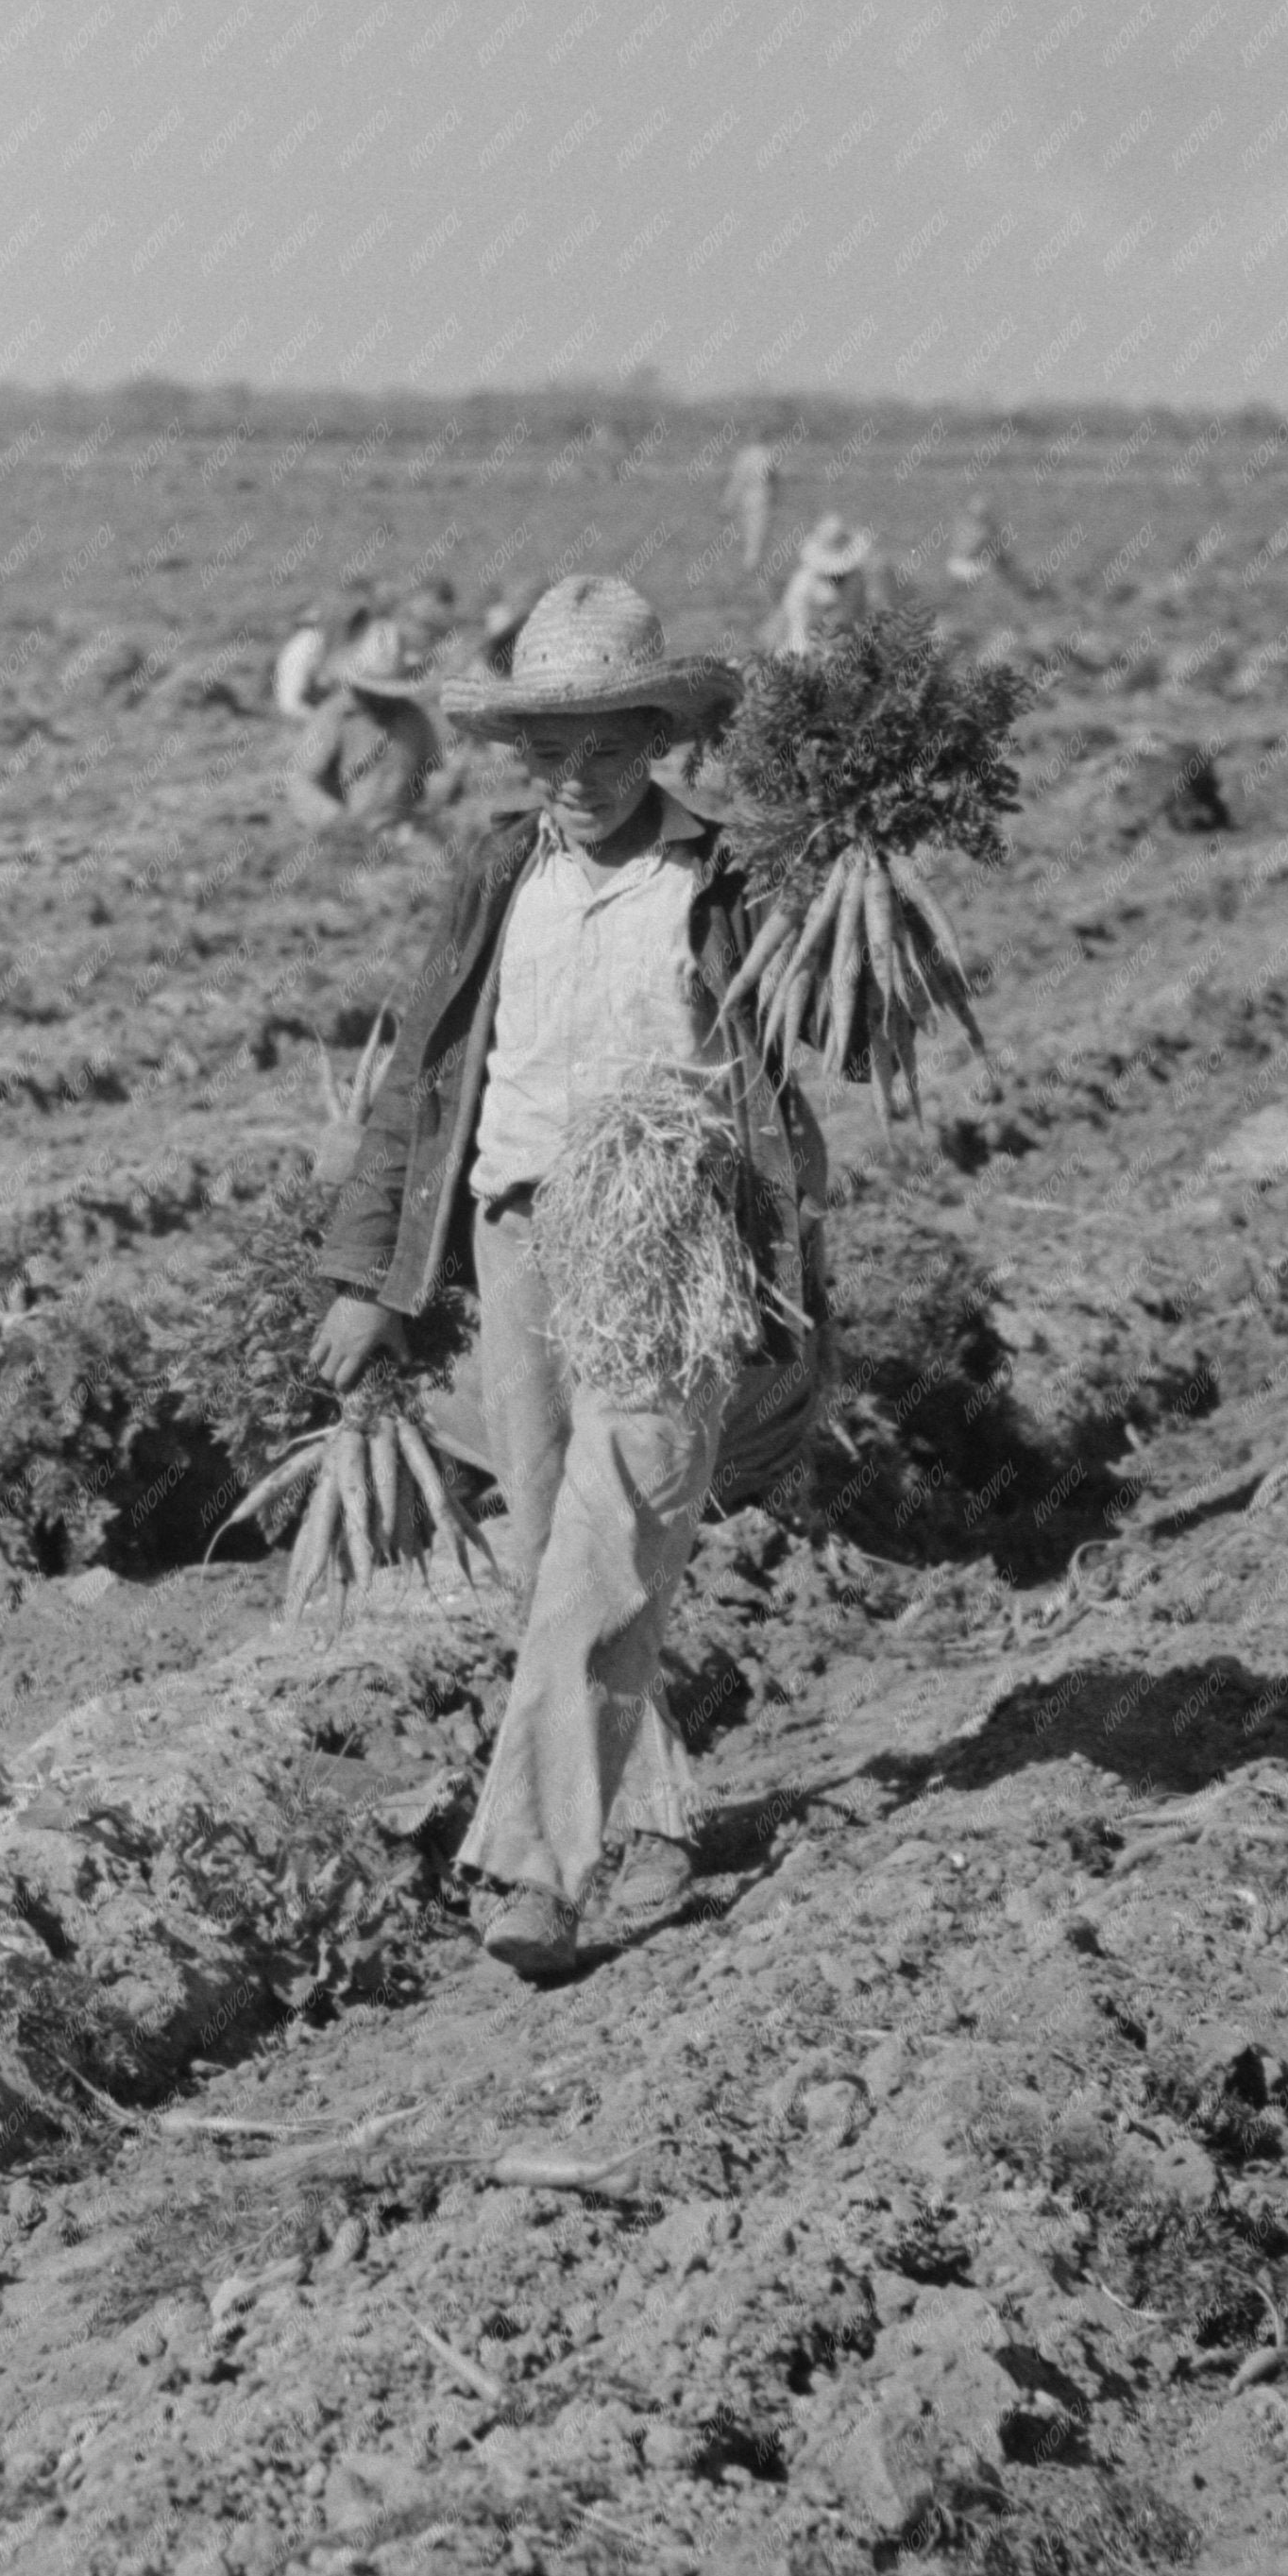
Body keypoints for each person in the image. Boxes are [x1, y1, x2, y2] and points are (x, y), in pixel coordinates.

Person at [308, 576, 826, 1983]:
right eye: (553, 750)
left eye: (609, 744)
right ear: (520, 755)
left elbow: (830, 1014)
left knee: (606, 1553)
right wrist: (371, 1279)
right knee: (552, 1551)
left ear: (658, 734)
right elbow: (421, 1080)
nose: (580, 777)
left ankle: (531, 1866)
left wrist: (848, 869)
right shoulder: (498, 868)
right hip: (516, 1232)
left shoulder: (730, 873)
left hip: (668, 1239)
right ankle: (651, 1815)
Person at [287, 620, 446, 832]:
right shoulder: (335, 716)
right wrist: (340, 824)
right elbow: (300, 782)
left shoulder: (414, 719)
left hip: (402, 833)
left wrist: (431, 807)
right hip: (344, 836)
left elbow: (435, 773)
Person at [773, 514, 877, 652]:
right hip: (807, 643)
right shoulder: (804, 583)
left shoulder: (856, 579)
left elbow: (860, 614)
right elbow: (799, 627)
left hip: (846, 643)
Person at [726, 439, 779, 578]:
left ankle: (749, 566)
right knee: (757, 534)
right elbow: (771, 477)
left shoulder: (744, 454)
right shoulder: (767, 454)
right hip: (761, 496)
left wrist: (728, 502)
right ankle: (752, 567)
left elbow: (736, 480)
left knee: (747, 532)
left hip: (746, 497)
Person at [272, 600, 330, 720]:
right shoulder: (314, 639)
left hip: (285, 704)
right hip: (301, 706)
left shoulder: (295, 642)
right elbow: (317, 675)